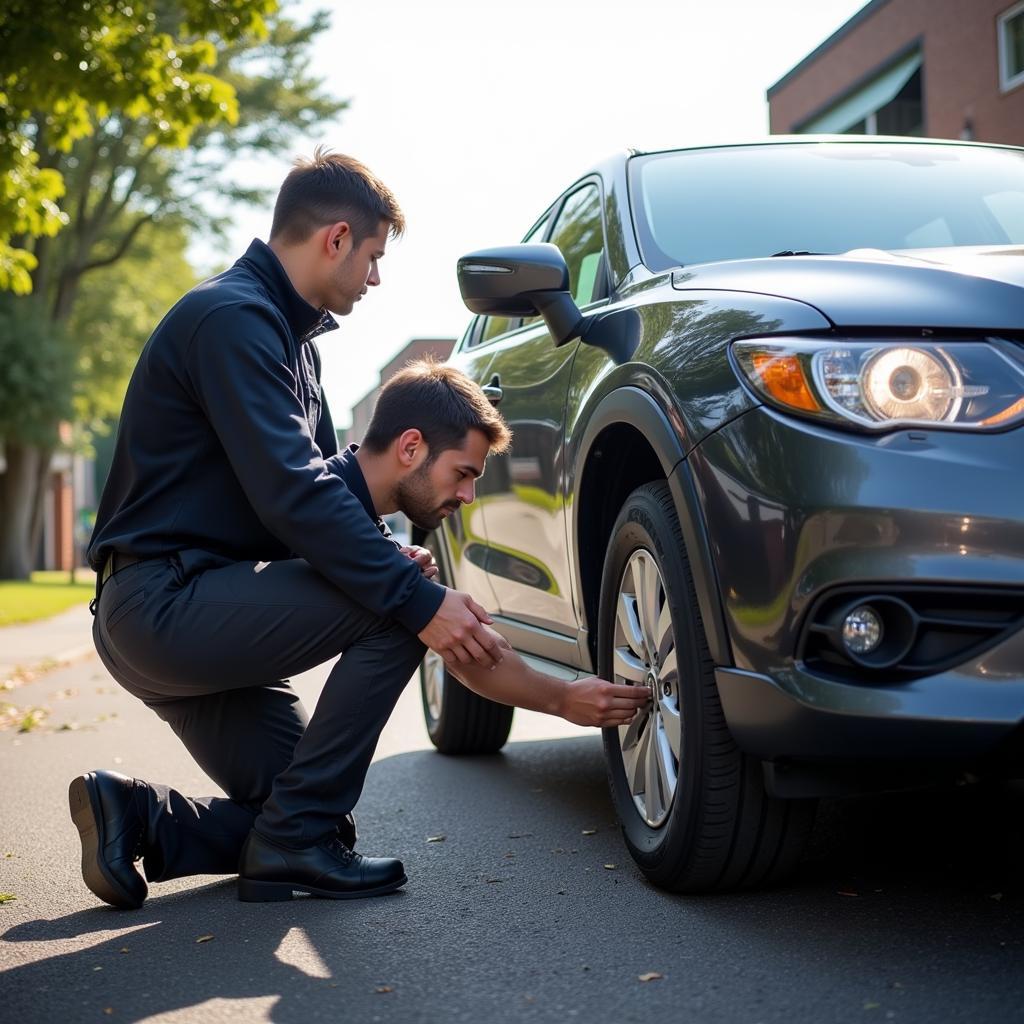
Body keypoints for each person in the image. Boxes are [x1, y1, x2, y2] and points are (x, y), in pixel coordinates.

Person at [72, 149, 649, 910]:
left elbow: (313, 495)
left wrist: (391, 561)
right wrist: (411, 594)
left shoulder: (289, 343)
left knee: (307, 814)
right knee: (398, 607)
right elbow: (294, 492)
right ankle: (290, 843)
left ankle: (141, 817)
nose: (374, 277)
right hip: (163, 604)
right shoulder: (234, 319)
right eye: (374, 257)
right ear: (337, 238)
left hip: (175, 612)